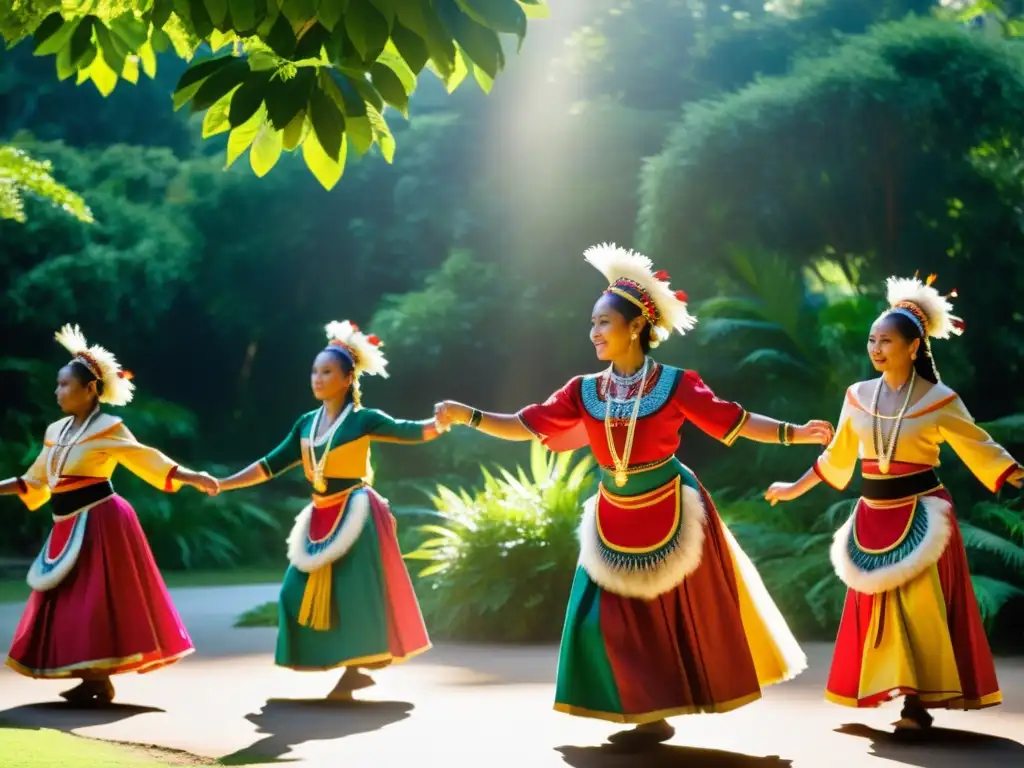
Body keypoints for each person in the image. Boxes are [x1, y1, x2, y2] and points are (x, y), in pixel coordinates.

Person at [433, 243, 832, 745]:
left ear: (637, 326)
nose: (595, 333)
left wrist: (796, 434)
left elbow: (733, 419)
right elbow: (524, 424)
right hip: (613, 512)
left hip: (671, 506)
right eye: (593, 324)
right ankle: (642, 711)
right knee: (601, 618)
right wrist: (467, 415)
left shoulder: (676, 383)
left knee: (675, 619)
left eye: (604, 323)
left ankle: (654, 713)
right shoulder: (583, 390)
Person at [765, 274, 1024, 731]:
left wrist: (1015, 472)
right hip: (872, 515)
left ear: (913, 346)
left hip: (923, 514)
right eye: (872, 339)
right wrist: (793, 487)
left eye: (887, 340)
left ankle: (915, 705)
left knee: (919, 609)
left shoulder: (940, 399)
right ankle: (887, 690)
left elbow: (978, 445)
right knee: (880, 609)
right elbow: (837, 458)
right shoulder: (857, 396)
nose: (876, 348)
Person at [215, 321, 439, 699]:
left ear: (348, 377)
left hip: (356, 512)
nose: (317, 378)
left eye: (327, 372)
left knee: (354, 594)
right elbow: (270, 464)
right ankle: (343, 665)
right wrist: (223, 483)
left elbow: (409, 430)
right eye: (315, 371)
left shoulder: (363, 419)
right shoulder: (306, 423)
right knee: (292, 593)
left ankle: (354, 670)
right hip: (320, 513)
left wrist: (441, 422)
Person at [0, 324, 219, 705]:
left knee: (95, 602)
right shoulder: (56, 430)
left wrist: (191, 476)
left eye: (66, 385)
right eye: (57, 384)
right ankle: (91, 678)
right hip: (66, 525)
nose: (58, 391)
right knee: (67, 601)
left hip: (101, 521)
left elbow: (146, 458)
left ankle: (98, 678)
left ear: (90, 389)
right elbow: (35, 479)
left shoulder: (108, 427)